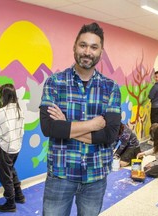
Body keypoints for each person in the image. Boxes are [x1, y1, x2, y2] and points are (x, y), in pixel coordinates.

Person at [39, 22, 121, 216]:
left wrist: (66, 127)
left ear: (101, 52)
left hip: (96, 175)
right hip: (60, 174)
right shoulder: (55, 82)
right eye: (83, 45)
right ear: (74, 47)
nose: (87, 52)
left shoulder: (111, 87)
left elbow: (109, 135)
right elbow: (49, 128)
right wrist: (93, 125)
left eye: (94, 47)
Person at [0, 84, 25, 212]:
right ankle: (19, 195)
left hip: (5, 148)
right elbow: (20, 130)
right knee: (11, 170)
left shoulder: (2, 112)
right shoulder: (19, 110)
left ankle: (10, 203)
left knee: (5, 175)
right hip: (16, 147)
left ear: (3, 95)